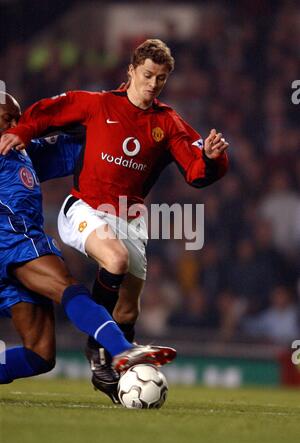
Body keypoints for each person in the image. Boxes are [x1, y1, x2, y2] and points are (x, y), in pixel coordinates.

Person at [0, 39, 228, 400]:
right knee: (100, 268)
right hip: (66, 218)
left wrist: (213, 159)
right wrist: (23, 128)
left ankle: (110, 353)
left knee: (47, 352)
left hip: (130, 218)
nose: (153, 84)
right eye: (148, 75)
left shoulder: (167, 123)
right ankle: (111, 349)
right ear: (132, 71)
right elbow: (46, 113)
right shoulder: (96, 104)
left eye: (162, 78)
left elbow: (197, 170)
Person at [0, 92, 176, 398]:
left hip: (21, 243)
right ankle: (121, 349)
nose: (16, 125)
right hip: (11, 239)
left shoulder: (25, 152)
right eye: (7, 119)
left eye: (18, 118)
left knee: (40, 355)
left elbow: (83, 148)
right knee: (68, 287)